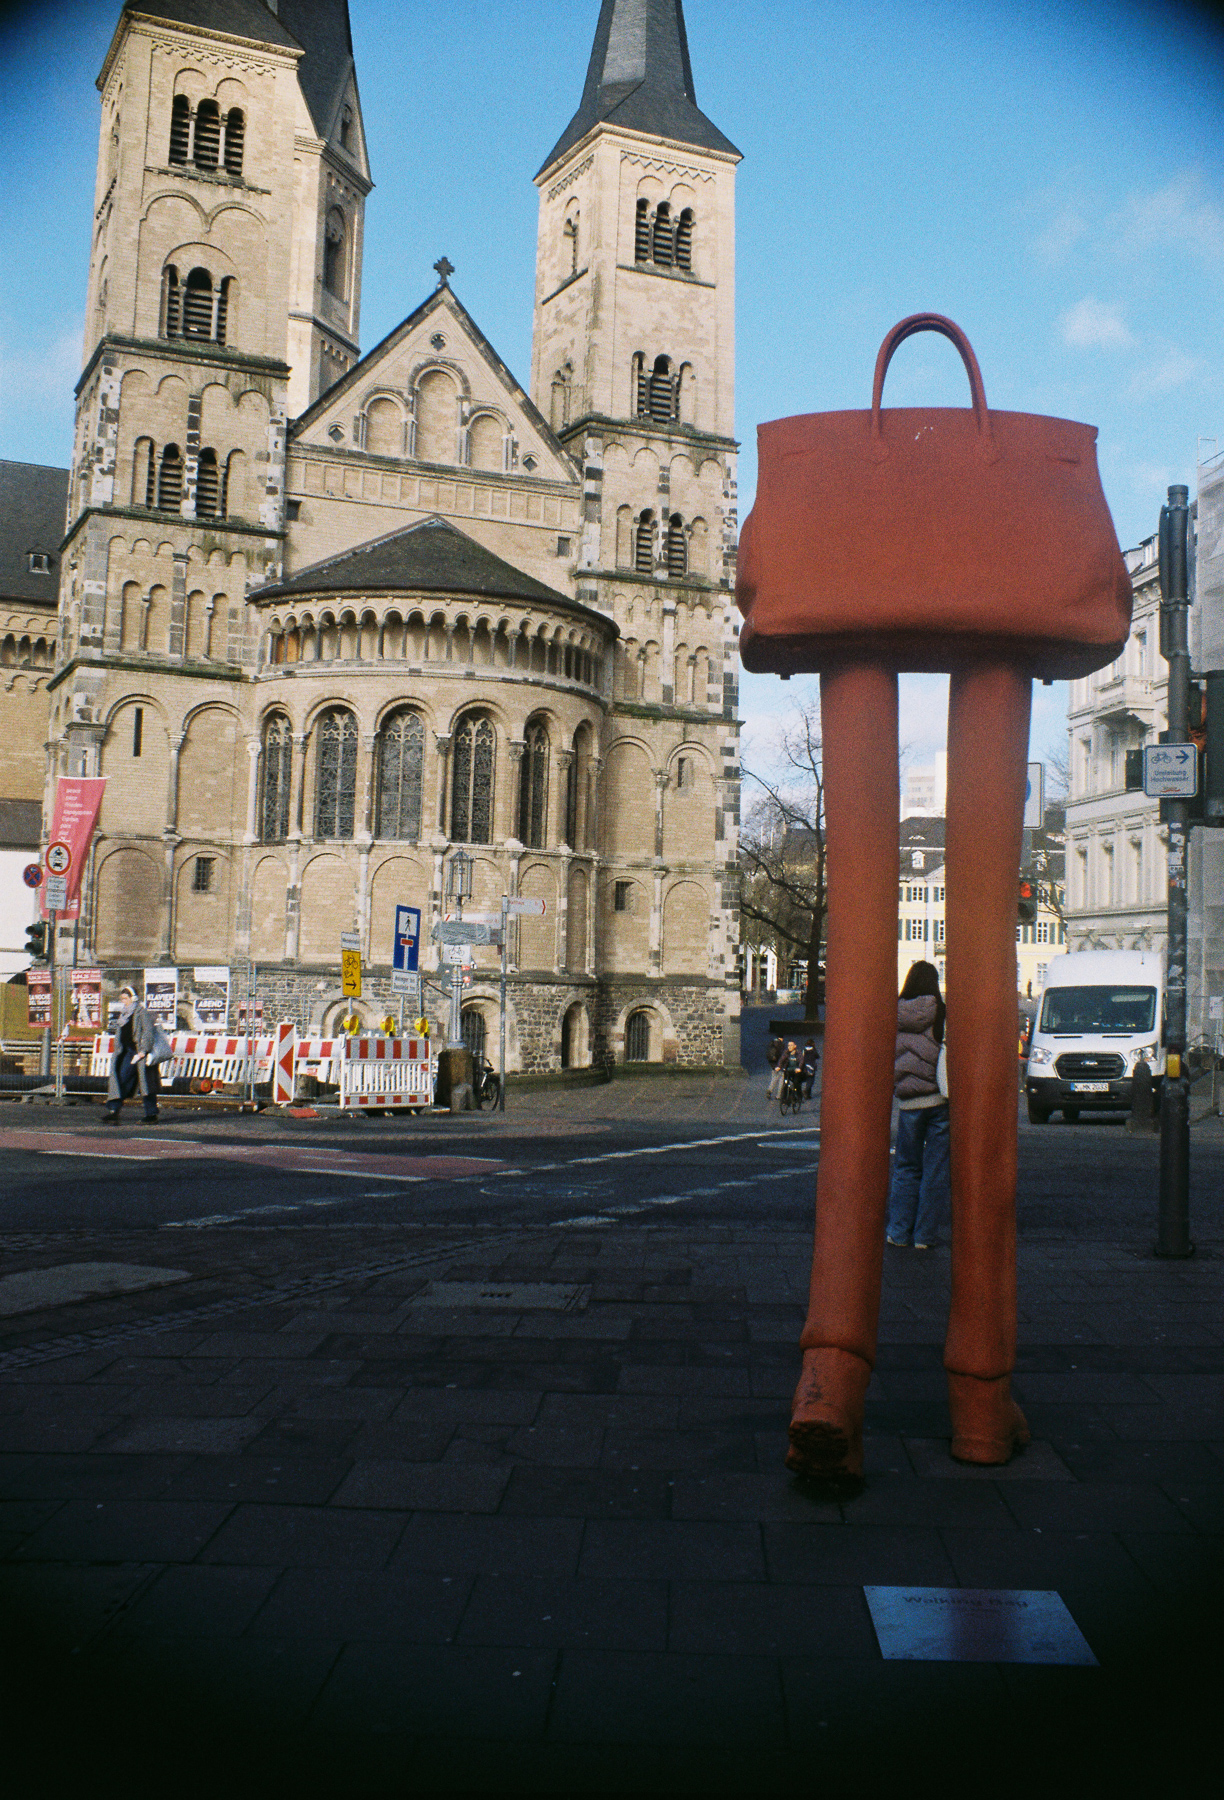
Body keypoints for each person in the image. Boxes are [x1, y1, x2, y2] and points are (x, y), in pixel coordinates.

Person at [885, 961, 950, 1251]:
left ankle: (899, 1232)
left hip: (909, 1102)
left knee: (906, 1167)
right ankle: (924, 1236)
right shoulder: (941, 1012)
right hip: (938, 1099)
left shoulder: (895, 1013)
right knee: (935, 1170)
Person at [103, 985, 161, 1124]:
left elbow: (148, 1032)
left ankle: (151, 1114)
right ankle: (113, 1111)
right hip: (127, 1052)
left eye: (125, 998)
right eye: (122, 999)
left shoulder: (141, 1012)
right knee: (120, 1080)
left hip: (139, 1052)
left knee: (146, 1084)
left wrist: (143, 1051)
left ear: (133, 998)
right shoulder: (124, 1014)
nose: (123, 1001)